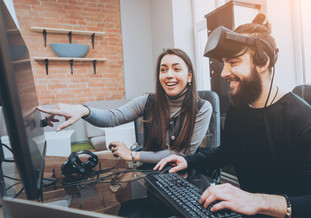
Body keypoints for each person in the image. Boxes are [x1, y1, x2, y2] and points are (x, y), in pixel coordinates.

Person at [154, 14, 311, 218]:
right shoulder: (239, 108)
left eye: (233, 62)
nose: (224, 72)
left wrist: (257, 201)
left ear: (263, 62)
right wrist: (188, 161)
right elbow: (230, 151)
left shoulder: (301, 120)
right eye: (224, 63)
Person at [38, 48, 212, 163]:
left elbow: (181, 155)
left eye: (176, 69)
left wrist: (133, 155)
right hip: (151, 174)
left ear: (189, 76)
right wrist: (83, 110)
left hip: (185, 177)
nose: (169, 75)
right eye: (163, 69)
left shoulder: (202, 108)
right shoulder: (147, 101)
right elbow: (112, 118)